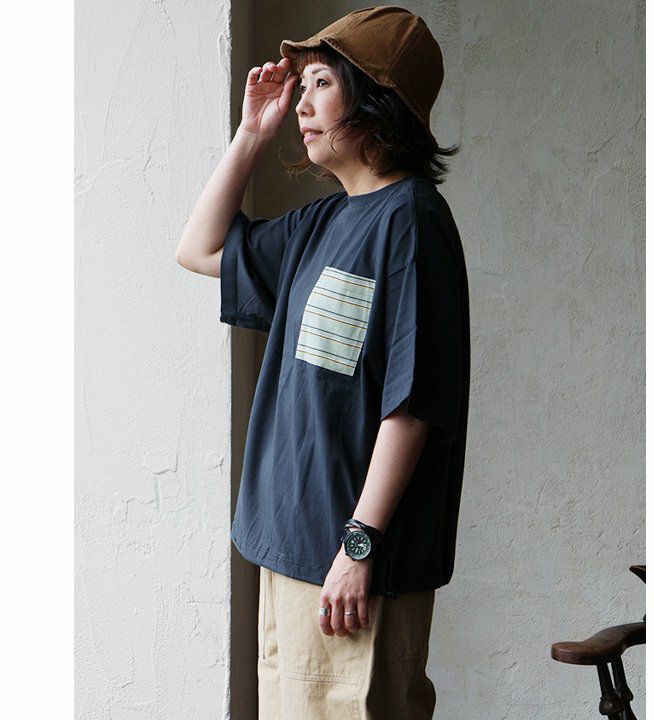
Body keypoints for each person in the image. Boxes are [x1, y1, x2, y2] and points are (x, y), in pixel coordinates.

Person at [175, 6, 470, 719]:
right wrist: (251, 134)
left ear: (377, 100)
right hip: (288, 551)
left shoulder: (411, 222)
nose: (301, 105)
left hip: (351, 565)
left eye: (321, 84)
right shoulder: (325, 221)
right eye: (301, 87)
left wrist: (359, 546)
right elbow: (199, 249)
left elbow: (412, 403)